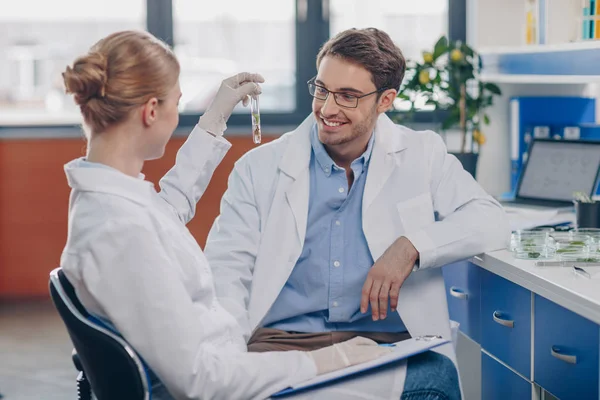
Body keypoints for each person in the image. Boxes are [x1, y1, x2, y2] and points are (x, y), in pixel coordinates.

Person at [59, 30, 397, 400]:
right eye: (177, 103)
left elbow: (167, 209)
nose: (177, 116)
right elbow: (204, 380)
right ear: (151, 111)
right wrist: (329, 360)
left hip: (228, 359)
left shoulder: (109, 200)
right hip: (223, 379)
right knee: (429, 380)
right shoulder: (120, 230)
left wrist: (215, 118)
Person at [205, 27, 510, 398]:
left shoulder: (422, 155)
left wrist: (411, 246)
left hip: (380, 347)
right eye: (322, 89)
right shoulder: (259, 168)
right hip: (282, 345)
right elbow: (226, 273)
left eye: (347, 96)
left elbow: (491, 220)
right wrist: (230, 363)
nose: (327, 108)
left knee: (437, 384)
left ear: (385, 100)